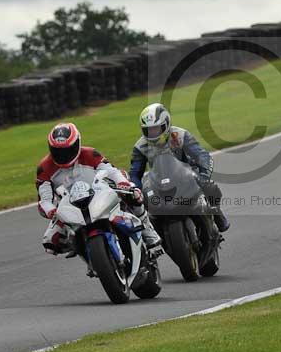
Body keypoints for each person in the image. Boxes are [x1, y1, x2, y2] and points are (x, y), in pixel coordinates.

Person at [36, 123, 162, 267]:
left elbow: (111, 171)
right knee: (50, 241)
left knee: (133, 195)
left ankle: (148, 233)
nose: (63, 156)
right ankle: (85, 252)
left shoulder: (90, 153)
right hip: (70, 206)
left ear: (77, 144)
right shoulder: (44, 168)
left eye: (67, 150)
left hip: (99, 193)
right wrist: (51, 210)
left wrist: (124, 184)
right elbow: (43, 200)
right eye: (58, 151)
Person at [129, 103, 230, 232]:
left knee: (209, 186)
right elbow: (135, 173)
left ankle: (217, 214)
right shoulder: (140, 146)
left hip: (185, 173)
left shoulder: (180, 135)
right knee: (142, 201)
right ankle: (155, 231)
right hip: (158, 180)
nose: (152, 133)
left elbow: (202, 155)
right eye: (148, 130)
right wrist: (136, 189)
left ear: (166, 124)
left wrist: (204, 175)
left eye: (156, 129)